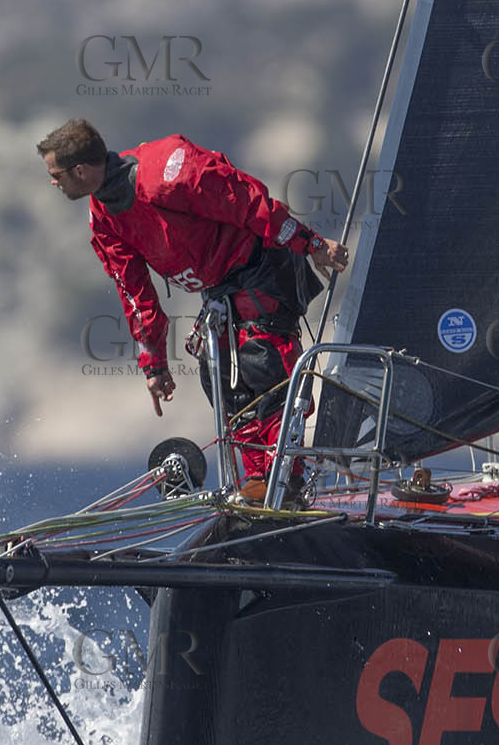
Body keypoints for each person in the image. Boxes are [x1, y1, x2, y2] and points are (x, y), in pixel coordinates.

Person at [38, 118, 348, 501]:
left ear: (80, 170)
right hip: (219, 287)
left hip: (264, 265)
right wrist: (154, 366)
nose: (53, 182)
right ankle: (261, 485)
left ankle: (288, 479)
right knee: (220, 378)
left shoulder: (171, 170)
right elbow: (136, 295)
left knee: (262, 361)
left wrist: (312, 244)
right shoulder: (103, 218)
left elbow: (250, 202)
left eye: (55, 175)